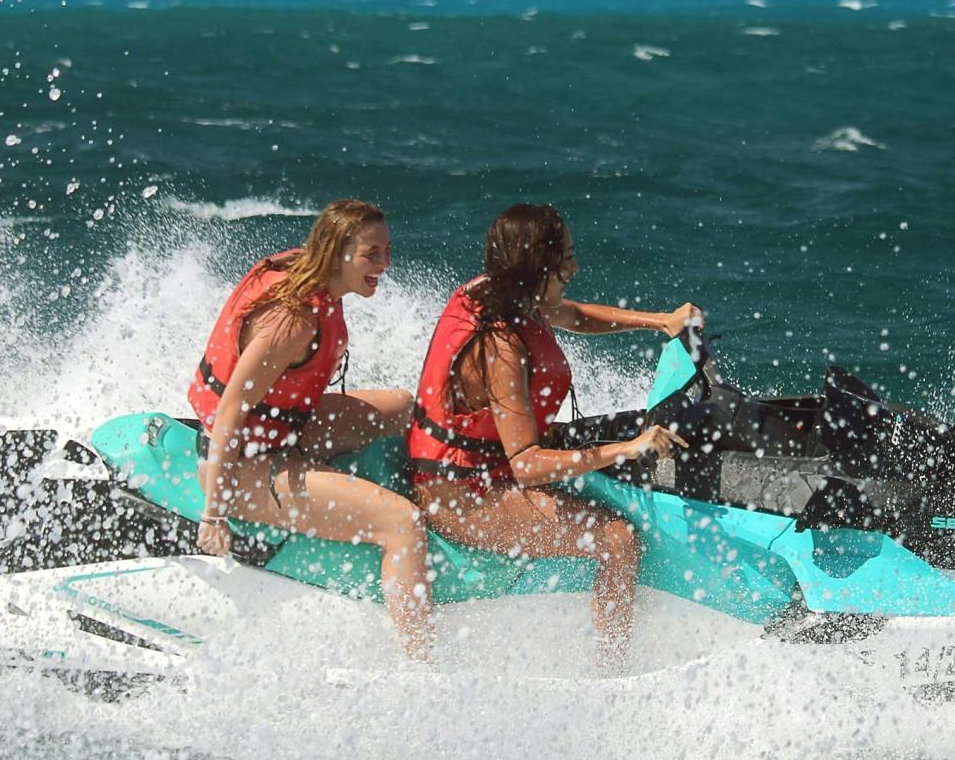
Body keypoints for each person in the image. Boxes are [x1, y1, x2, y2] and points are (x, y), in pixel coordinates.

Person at [408, 203, 695, 664]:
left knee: (628, 432)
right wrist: (625, 450)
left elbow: (577, 316)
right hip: (459, 493)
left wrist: (659, 321)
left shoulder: (502, 293)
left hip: (491, 464)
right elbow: (526, 464)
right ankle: (612, 666)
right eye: (564, 259)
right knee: (617, 537)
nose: (574, 267)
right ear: (533, 267)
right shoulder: (500, 347)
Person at [188, 198, 433, 661]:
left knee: (402, 405)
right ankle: (422, 664)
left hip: (282, 430)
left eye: (387, 250)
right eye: (372, 254)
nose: (385, 264)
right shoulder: (292, 320)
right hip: (240, 463)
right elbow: (230, 410)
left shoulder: (314, 278)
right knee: (403, 524)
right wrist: (214, 515)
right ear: (337, 252)